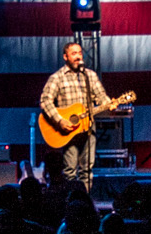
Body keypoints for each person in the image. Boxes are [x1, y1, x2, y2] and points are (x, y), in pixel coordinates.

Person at [39, 40, 112, 194]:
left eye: (79, 53)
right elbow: (45, 101)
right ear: (65, 57)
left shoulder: (89, 75)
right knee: (70, 170)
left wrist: (108, 103)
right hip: (68, 130)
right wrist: (59, 120)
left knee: (87, 169)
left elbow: (101, 96)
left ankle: (84, 200)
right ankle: (69, 201)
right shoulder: (57, 77)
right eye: (74, 53)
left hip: (88, 128)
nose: (78, 56)